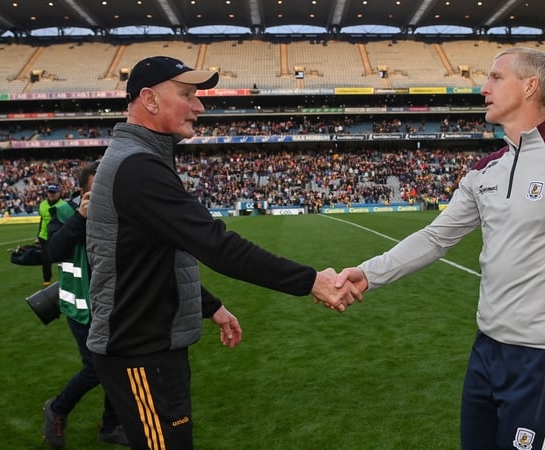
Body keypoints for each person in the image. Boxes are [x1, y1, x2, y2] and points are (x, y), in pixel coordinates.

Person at [335, 47, 545, 450]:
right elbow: (436, 237)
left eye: (496, 78)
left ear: (530, 86)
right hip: (486, 351)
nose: (483, 88)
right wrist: (369, 272)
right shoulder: (485, 170)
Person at [85, 56, 360, 449]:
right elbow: (216, 245)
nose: (199, 107)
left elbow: (152, 258)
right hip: (138, 352)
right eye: (187, 95)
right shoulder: (137, 168)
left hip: (153, 347)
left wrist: (208, 305)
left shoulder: (143, 160)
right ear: (149, 99)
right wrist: (311, 281)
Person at [42, 161, 129, 448]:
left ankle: (110, 426)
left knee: (119, 367)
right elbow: (53, 251)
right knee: (95, 367)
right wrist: (80, 217)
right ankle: (57, 409)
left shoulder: (117, 210)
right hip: (82, 307)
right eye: (97, 188)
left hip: (113, 304)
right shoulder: (64, 212)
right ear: (82, 191)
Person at [37, 183, 65, 287]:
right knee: (45, 260)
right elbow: (41, 220)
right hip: (44, 236)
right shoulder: (42, 204)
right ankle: (47, 281)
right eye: (50, 192)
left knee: (62, 259)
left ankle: (64, 279)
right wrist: (38, 235)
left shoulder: (63, 205)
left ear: (58, 193)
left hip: (58, 236)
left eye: (53, 193)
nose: (51, 195)